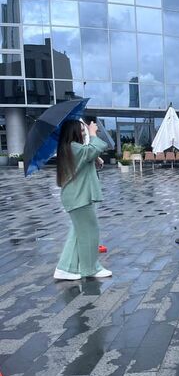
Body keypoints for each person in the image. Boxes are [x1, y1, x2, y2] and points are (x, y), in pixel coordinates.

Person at [54, 119, 111, 280]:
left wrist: (94, 159)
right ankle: (90, 269)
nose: (84, 132)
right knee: (90, 232)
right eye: (82, 130)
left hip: (76, 196)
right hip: (78, 197)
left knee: (78, 233)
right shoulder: (73, 147)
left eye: (85, 130)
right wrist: (93, 133)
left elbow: (88, 155)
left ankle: (65, 268)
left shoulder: (70, 148)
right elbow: (94, 149)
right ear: (73, 132)